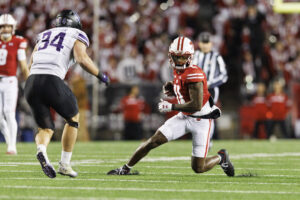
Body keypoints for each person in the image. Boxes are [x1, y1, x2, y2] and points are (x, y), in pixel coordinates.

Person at [107, 36, 234, 176]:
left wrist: (171, 107)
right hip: (184, 116)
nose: (179, 61)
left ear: (190, 57)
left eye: (183, 57)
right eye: (176, 57)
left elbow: (196, 105)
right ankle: (125, 168)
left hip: (201, 121)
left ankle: (221, 157)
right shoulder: (178, 70)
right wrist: (174, 88)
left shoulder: (194, 74)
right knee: (153, 141)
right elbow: (185, 90)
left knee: (198, 168)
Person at [24, 10, 109, 178]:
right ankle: (64, 164)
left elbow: (31, 61)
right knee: (73, 118)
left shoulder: (44, 34)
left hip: (31, 81)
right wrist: (100, 75)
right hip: (51, 79)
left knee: (46, 127)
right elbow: (81, 58)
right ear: (75, 23)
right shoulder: (77, 33)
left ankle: (41, 150)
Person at [0, 14, 29, 155]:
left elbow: (23, 65)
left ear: (13, 28)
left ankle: (12, 146)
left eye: (8, 26)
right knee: (0, 117)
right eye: (2, 26)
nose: (5, 29)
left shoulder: (19, 42)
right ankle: (8, 141)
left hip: (10, 81)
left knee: (8, 113)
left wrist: (29, 81)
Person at [193, 32, 228, 145]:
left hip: (210, 89)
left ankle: (208, 139)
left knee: (207, 113)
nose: (205, 45)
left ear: (211, 44)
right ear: (199, 43)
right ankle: (203, 138)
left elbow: (224, 76)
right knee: (196, 114)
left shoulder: (216, 56)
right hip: (196, 89)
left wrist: (210, 83)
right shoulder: (195, 56)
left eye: (207, 43)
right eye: (203, 43)